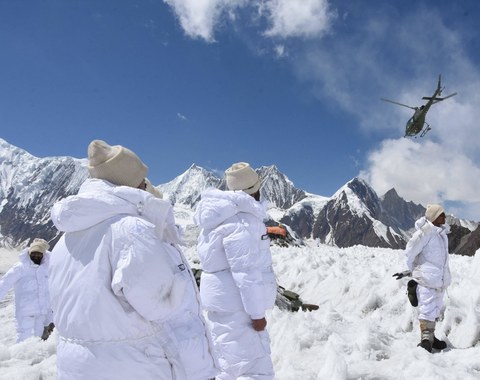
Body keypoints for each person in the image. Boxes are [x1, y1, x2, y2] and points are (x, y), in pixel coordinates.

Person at [48, 139, 217, 379]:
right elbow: (162, 305)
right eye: (141, 179)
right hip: (135, 365)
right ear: (129, 182)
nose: (146, 184)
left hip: (78, 369)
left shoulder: (64, 241)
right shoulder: (131, 230)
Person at [194, 162, 277, 380]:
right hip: (240, 310)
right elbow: (246, 274)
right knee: (253, 370)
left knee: (228, 366)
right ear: (253, 190)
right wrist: (257, 315)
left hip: (224, 306)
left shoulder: (219, 219)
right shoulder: (242, 223)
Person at [404, 204, 451, 353]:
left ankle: (431, 337)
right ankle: (425, 339)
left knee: (435, 309)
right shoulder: (425, 232)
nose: (444, 217)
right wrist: (415, 270)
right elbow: (410, 251)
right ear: (435, 217)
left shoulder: (441, 233)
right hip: (426, 279)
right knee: (427, 309)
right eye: (441, 214)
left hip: (438, 280)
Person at [0, 238, 54, 342]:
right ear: (29, 253)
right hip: (25, 312)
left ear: (43, 255)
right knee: (24, 339)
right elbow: (4, 283)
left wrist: (50, 314)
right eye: (34, 253)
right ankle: (18, 357)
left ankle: (32, 358)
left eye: (39, 254)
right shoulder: (20, 268)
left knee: (37, 340)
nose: (36, 256)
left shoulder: (46, 269)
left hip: (41, 313)